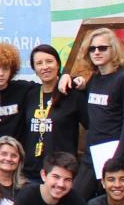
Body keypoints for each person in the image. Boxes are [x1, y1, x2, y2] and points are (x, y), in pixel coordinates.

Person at [69, 27, 124, 199]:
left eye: (102, 48)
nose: (96, 52)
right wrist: (73, 83)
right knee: (77, 200)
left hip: (116, 155)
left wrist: (118, 160)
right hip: (91, 156)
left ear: (113, 49)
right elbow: (88, 119)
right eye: (92, 49)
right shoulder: (94, 79)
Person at [24, 43, 82, 181]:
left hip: (62, 175)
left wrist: (71, 78)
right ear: (34, 69)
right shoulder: (30, 95)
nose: (44, 67)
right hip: (32, 174)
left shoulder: (72, 94)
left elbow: (92, 126)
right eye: (39, 63)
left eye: (49, 61)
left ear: (58, 65)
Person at [0, 135, 29, 200]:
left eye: (14, 155)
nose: (8, 159)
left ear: (19, 160)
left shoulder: (26, 188)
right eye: (4, 154)